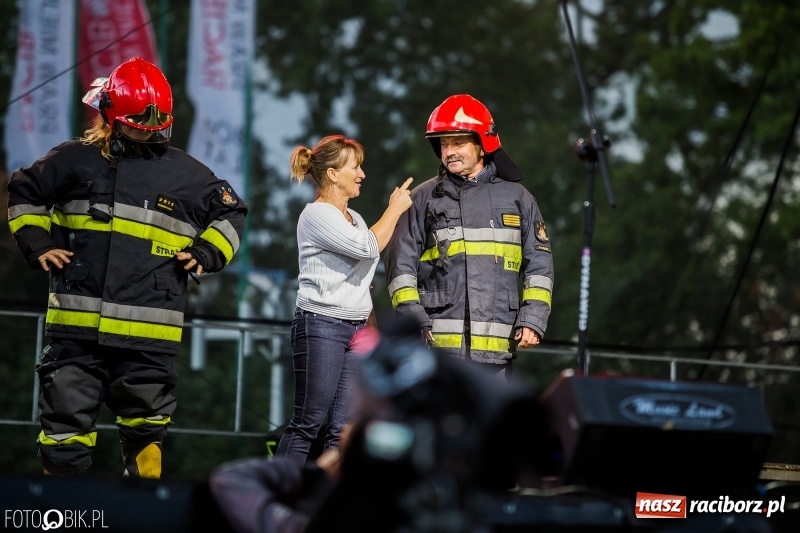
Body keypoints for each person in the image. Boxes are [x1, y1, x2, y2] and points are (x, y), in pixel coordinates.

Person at [6, 57, 248, 478]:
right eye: (139, 124)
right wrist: (38, 243)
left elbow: (232, 212)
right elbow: (23, 191)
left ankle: (142, 518)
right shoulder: (73, 160)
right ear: (110, 116)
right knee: (64, 432)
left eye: (159, 125)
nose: (151, 133)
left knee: (146, 431)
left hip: (147, 339)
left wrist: (208, 252)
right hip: (77, 331)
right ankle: (65, 519)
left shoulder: (188, 175)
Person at [384, 94, 554, 380]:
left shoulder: (518, 198)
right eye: (444, 143)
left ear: (483, 144)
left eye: (458, 142)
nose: (449, 151)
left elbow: (540, 266)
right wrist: (414, 323)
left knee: (495, 425)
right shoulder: (422, 199)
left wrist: (533, 320)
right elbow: (399, 270)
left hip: (496, 352)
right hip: (437, 351)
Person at [275, 134, 413, 465]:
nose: (362, 174)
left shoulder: (358, 220)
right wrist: (394, 208)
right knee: (308, 424)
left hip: (357, 331)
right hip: (321, 325)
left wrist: (371, 327)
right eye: (356, 167)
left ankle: (328, 500)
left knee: (343, 428)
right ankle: (279, 490)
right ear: (333, 174)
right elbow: (368, 247)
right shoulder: (316, 215)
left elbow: (363, 280)